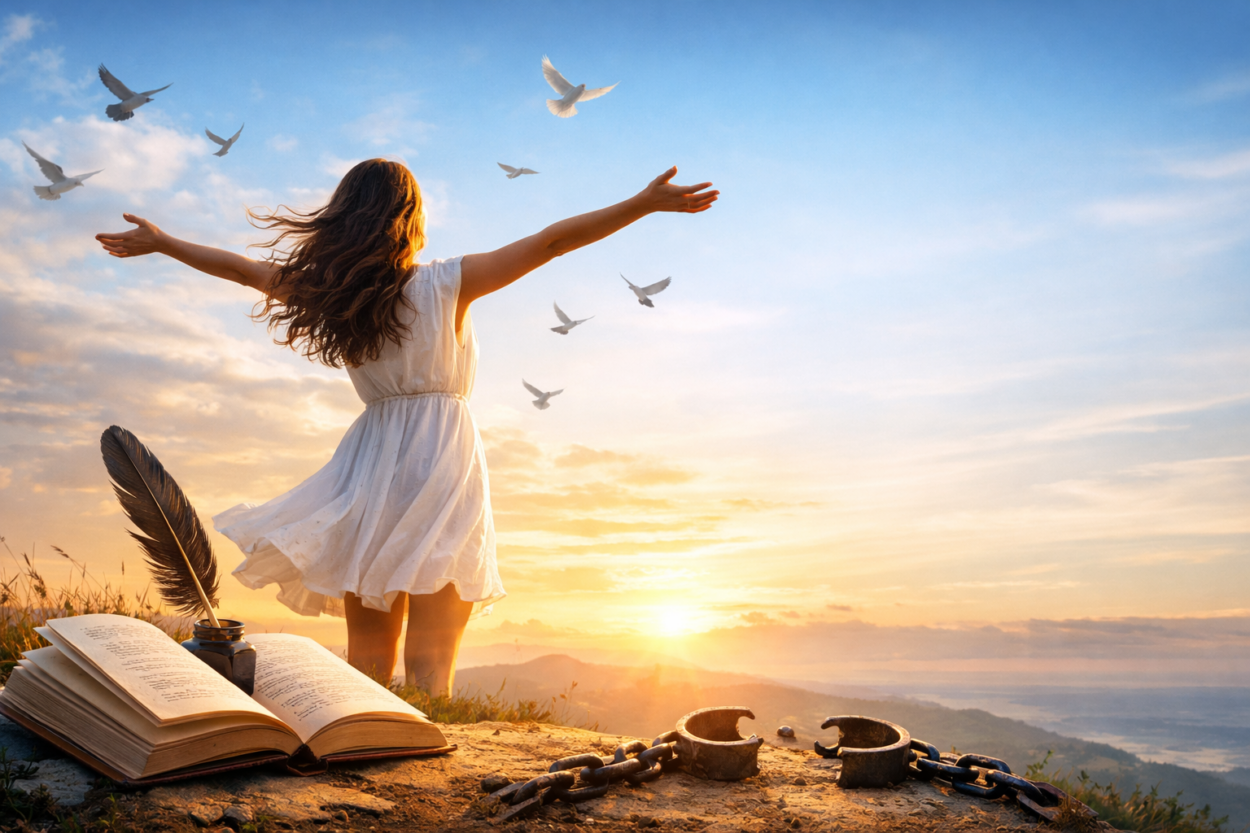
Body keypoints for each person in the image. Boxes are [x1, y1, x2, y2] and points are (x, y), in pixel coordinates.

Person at [95, 160, 718, 695]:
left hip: (371, 455)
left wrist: (165, 242)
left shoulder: (333, 292)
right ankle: (428, 741)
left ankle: (364, 735)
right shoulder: (447, 281)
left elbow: (242, 270)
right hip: (441, 451)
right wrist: (642, 204)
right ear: (410, 217)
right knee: (435, 639)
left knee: (368, 639)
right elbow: (553, 242)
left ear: (342, 218)